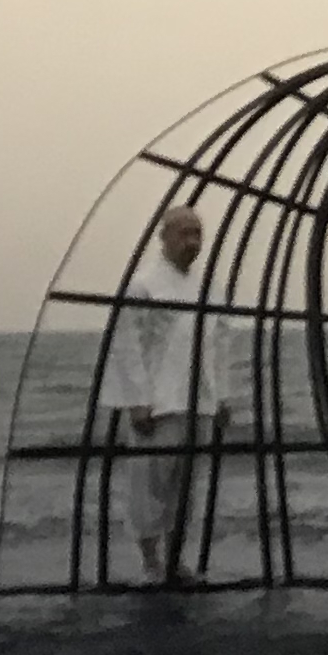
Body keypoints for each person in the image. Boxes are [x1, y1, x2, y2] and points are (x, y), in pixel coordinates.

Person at [108, 194, 216, 583]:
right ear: (164, 238)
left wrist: (222, 396)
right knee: (150, 483)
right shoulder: (145, 284)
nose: (192, 241)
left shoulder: (206, 287)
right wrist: (137, 400)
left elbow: (218, 340)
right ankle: (151, 562)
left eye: (197, 234)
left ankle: (176, 560)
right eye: (184, 233)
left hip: (198, 398)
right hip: (159, 400)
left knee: (187, 487)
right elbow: (125, 341)